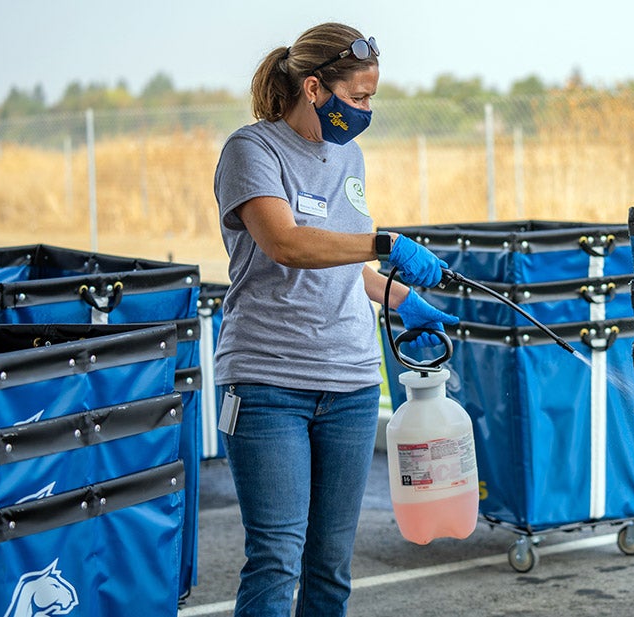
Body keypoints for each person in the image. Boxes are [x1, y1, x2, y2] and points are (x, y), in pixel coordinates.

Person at [212, 22, 458, 616]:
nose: (368, 109)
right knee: (275, 557)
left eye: (372, 97)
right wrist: (383, 243)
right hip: (269, 382)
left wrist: (398, 299)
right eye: (360, 97)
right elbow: (288, 245)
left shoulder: (349, 156)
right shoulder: (253, 151)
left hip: (350, 383)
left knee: (330, 564)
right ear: (316, 88)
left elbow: (339, 263)